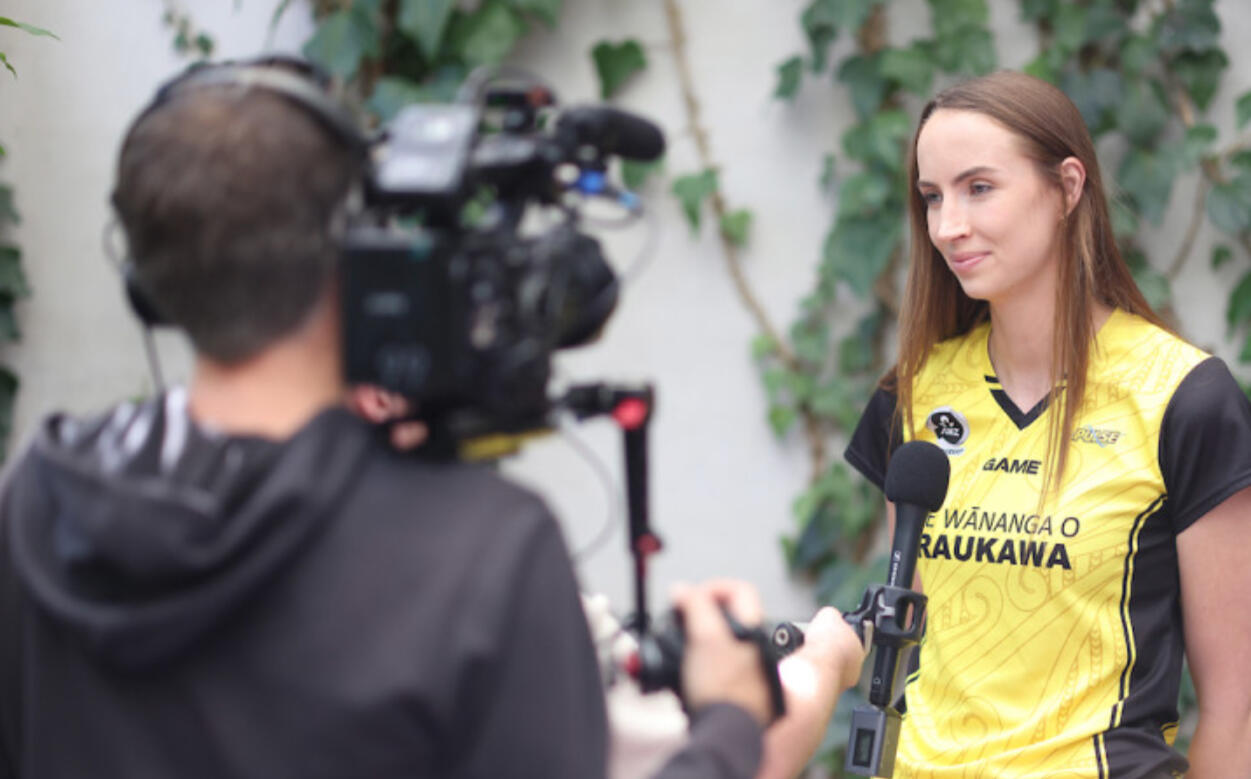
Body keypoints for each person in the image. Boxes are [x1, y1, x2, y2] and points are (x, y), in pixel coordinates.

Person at [0, 57, 865, 778]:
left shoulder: (39, 496)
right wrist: (728, 719)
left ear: (150, 283)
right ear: (359, 254)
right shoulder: (479, 554)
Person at [844, 70, 1251, 777]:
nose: (947, 227)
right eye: (932, 197)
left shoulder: (1182, 397)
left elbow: (1235, 707)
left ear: (1067, 187)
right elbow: (912, 637)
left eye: (978, 188)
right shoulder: (914, 392)